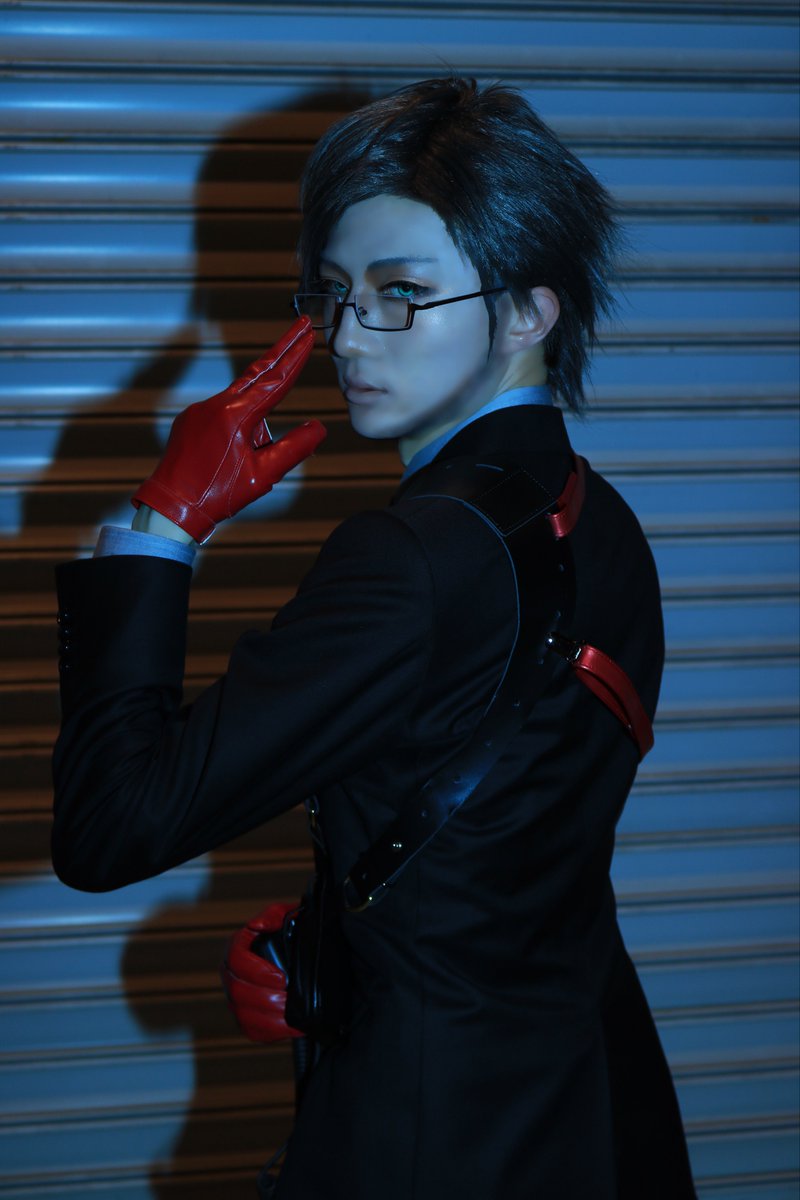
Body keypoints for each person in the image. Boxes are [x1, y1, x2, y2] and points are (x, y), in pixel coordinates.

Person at [51, 77, 696, 1198]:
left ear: (528, 312)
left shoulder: (409, 556)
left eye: (401, 293)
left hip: (426, 1136)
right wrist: (347, 934)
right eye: (335, 293)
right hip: (589, 1112)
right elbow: (512, 827)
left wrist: (161, 529)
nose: (348, 335)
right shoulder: (604, 521)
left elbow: (111, 826)